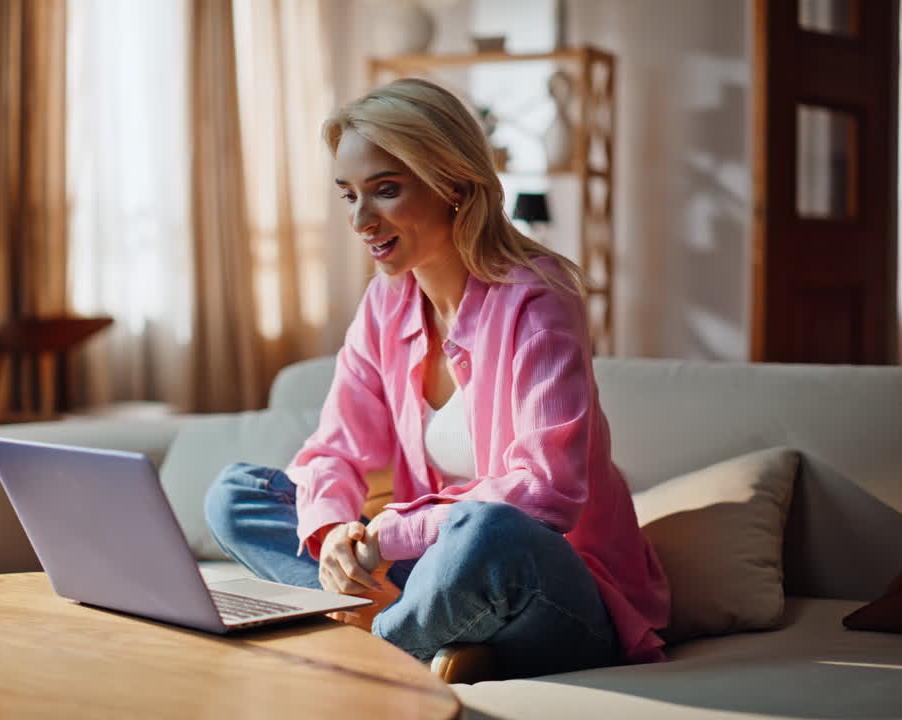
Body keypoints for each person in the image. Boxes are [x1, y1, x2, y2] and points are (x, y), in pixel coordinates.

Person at [205, 77, 669, 680]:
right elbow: (335, 450)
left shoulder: (539, 297)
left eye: (386, 191)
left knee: (491, 529)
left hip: (550, 590)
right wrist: (337, 529)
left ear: (452, 182)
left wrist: (391, 530)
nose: (361, 219)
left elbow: (547, 492)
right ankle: (427, 634)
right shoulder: (386, 303)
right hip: (429, 572)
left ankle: (371, 654)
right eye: (348, 195)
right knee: (236, 495)